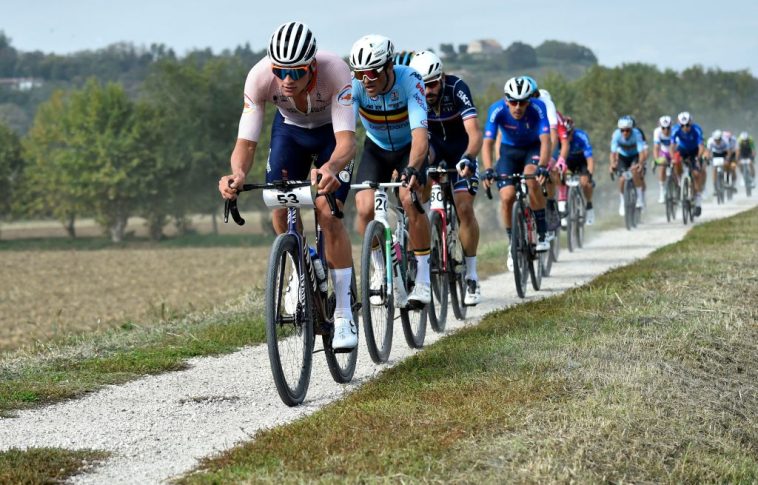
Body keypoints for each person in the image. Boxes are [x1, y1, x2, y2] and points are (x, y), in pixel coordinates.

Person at [218, 21, 358, 350]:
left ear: (312, 66)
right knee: (279, 206)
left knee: (327, 211)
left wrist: (331, 168)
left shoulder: (336, 71)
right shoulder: (259, 77)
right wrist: (236, 174)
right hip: (290, 132)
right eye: (280, 71)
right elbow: (247, 142)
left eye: (296, 72)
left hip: (331, 138)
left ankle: (342, 313)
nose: (287, 80)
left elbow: (347, 142)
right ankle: (300, 265)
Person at [349, 34, 432, 307]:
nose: (366, 80)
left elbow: (420, 135)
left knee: (410, 199)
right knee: (363, 207)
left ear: (388, 66)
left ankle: (423, 278)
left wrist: (412, 169)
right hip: (376, 149)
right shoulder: (357, 87)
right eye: (360, 73)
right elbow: (344, 133)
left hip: (409, 148)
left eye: (372, 72)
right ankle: (379, 269)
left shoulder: (410, 80)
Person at [409, 50, 483, 305]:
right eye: (422, 86)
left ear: (441, 78)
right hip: (434, 148)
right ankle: (424, 232)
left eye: (431, 84)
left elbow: (474, 132)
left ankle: (472, 274)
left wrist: (470, 156)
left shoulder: (456, 88)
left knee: (463, 207)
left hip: (460, 151)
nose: (426, 91)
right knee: (421, 180)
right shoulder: (414, 95)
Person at [481, 76, 551, 272]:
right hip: (509, 152)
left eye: (522, 102)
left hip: (532, 149)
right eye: (513, 102)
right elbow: (487, 143)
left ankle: (542, 232)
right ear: (506, 100)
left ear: (529, 101)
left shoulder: (539, 107)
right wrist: (488, 169)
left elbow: (546, 140)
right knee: (507, 196)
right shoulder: (496, 110)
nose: (518, 107)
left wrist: (543, 166)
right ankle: (512, 242)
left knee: (532, 179)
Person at [561, 116, 595, 224]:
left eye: (569, 133)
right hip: (567, 162)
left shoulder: (581, 136)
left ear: (573, 131)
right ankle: (563, 207)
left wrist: (589, 174)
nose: (567, 136)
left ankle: (589, 206)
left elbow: (589, 159)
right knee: (560, 179)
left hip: (581, 161)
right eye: (565, 133)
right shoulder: (558, 138)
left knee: (586, 183)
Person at [609, 116, 647, 216]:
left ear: (631, 129)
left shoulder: (637, 134)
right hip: (623, 157)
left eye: (627, 130)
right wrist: (612, 163)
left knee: (635, 172)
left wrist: (640, 163)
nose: (625, 133)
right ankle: (622, 202)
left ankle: (639, 198)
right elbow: (613, 152)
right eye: (622, 130)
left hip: (635, 156)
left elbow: (641, 152)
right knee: (622, 179)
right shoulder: (616, 135)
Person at [670, 111, 705, 216]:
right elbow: (672, 146)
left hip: (695, 151)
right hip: (682, 149)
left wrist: (698, 158)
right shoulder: (675, 129)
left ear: (691, 123)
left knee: (696, 174)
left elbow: (701, 147)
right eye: (683, 126)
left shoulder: (697, 129)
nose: (685, 128)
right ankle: (680, 181)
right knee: (676, 161)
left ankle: (698, 201)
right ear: (679, 125)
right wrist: (673, 157)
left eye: (687, 125)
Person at [653, 115, 674, 203]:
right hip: (664, 151)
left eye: (668, 128)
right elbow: (656, 147)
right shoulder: (657, 132)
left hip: (674, 151)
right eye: (663, 128)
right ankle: (662, 191)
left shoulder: (674, 131)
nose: (666, 130)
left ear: (671, 126)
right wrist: (656, 159)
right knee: (662, 167)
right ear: (660, 127)